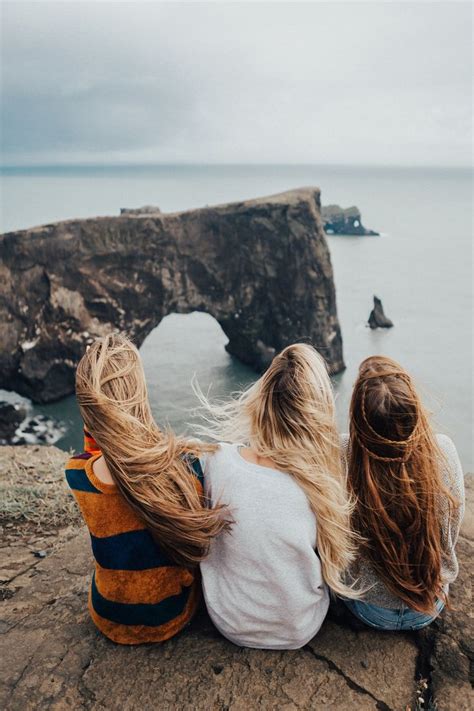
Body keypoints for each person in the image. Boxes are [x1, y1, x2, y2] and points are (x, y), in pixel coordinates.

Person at [65, 334, 230, 644]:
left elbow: (95, 451)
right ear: (140, 394)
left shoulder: (77, 475)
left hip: (109, 615)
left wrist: (93, 379)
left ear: (88, 406)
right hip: (170, 613)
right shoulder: (184, 466)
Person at [195, 343, 359, 649]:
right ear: (317, 413)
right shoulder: (319, 486)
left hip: (229, 621)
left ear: (261, 399)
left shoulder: (218, 460)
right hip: (298, 628)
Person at [341, 355, 464, 631]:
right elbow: (451, 532)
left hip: (368, 608)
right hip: (429, 606)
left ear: (359, 418)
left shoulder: (341, 455)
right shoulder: (443, 451)